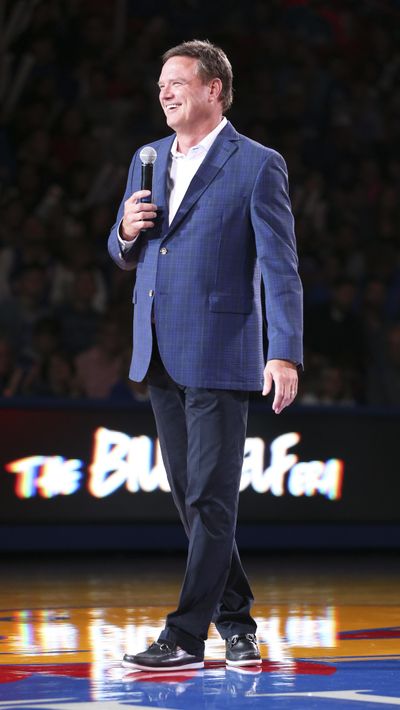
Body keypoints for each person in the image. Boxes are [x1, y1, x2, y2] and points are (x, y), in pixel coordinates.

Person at [108, 40, 303, 672]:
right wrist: (125, 232)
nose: (163, 91)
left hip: (221, 350)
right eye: (160, 83)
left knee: (211, 502)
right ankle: (238, 620)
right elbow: (123, 248)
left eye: (176, 82)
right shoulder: (147, 156)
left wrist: (285, 353)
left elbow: (280, 267)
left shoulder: (256, 165)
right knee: (193, 499)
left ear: (213, 89)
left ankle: (186, 637)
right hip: (160, 348)